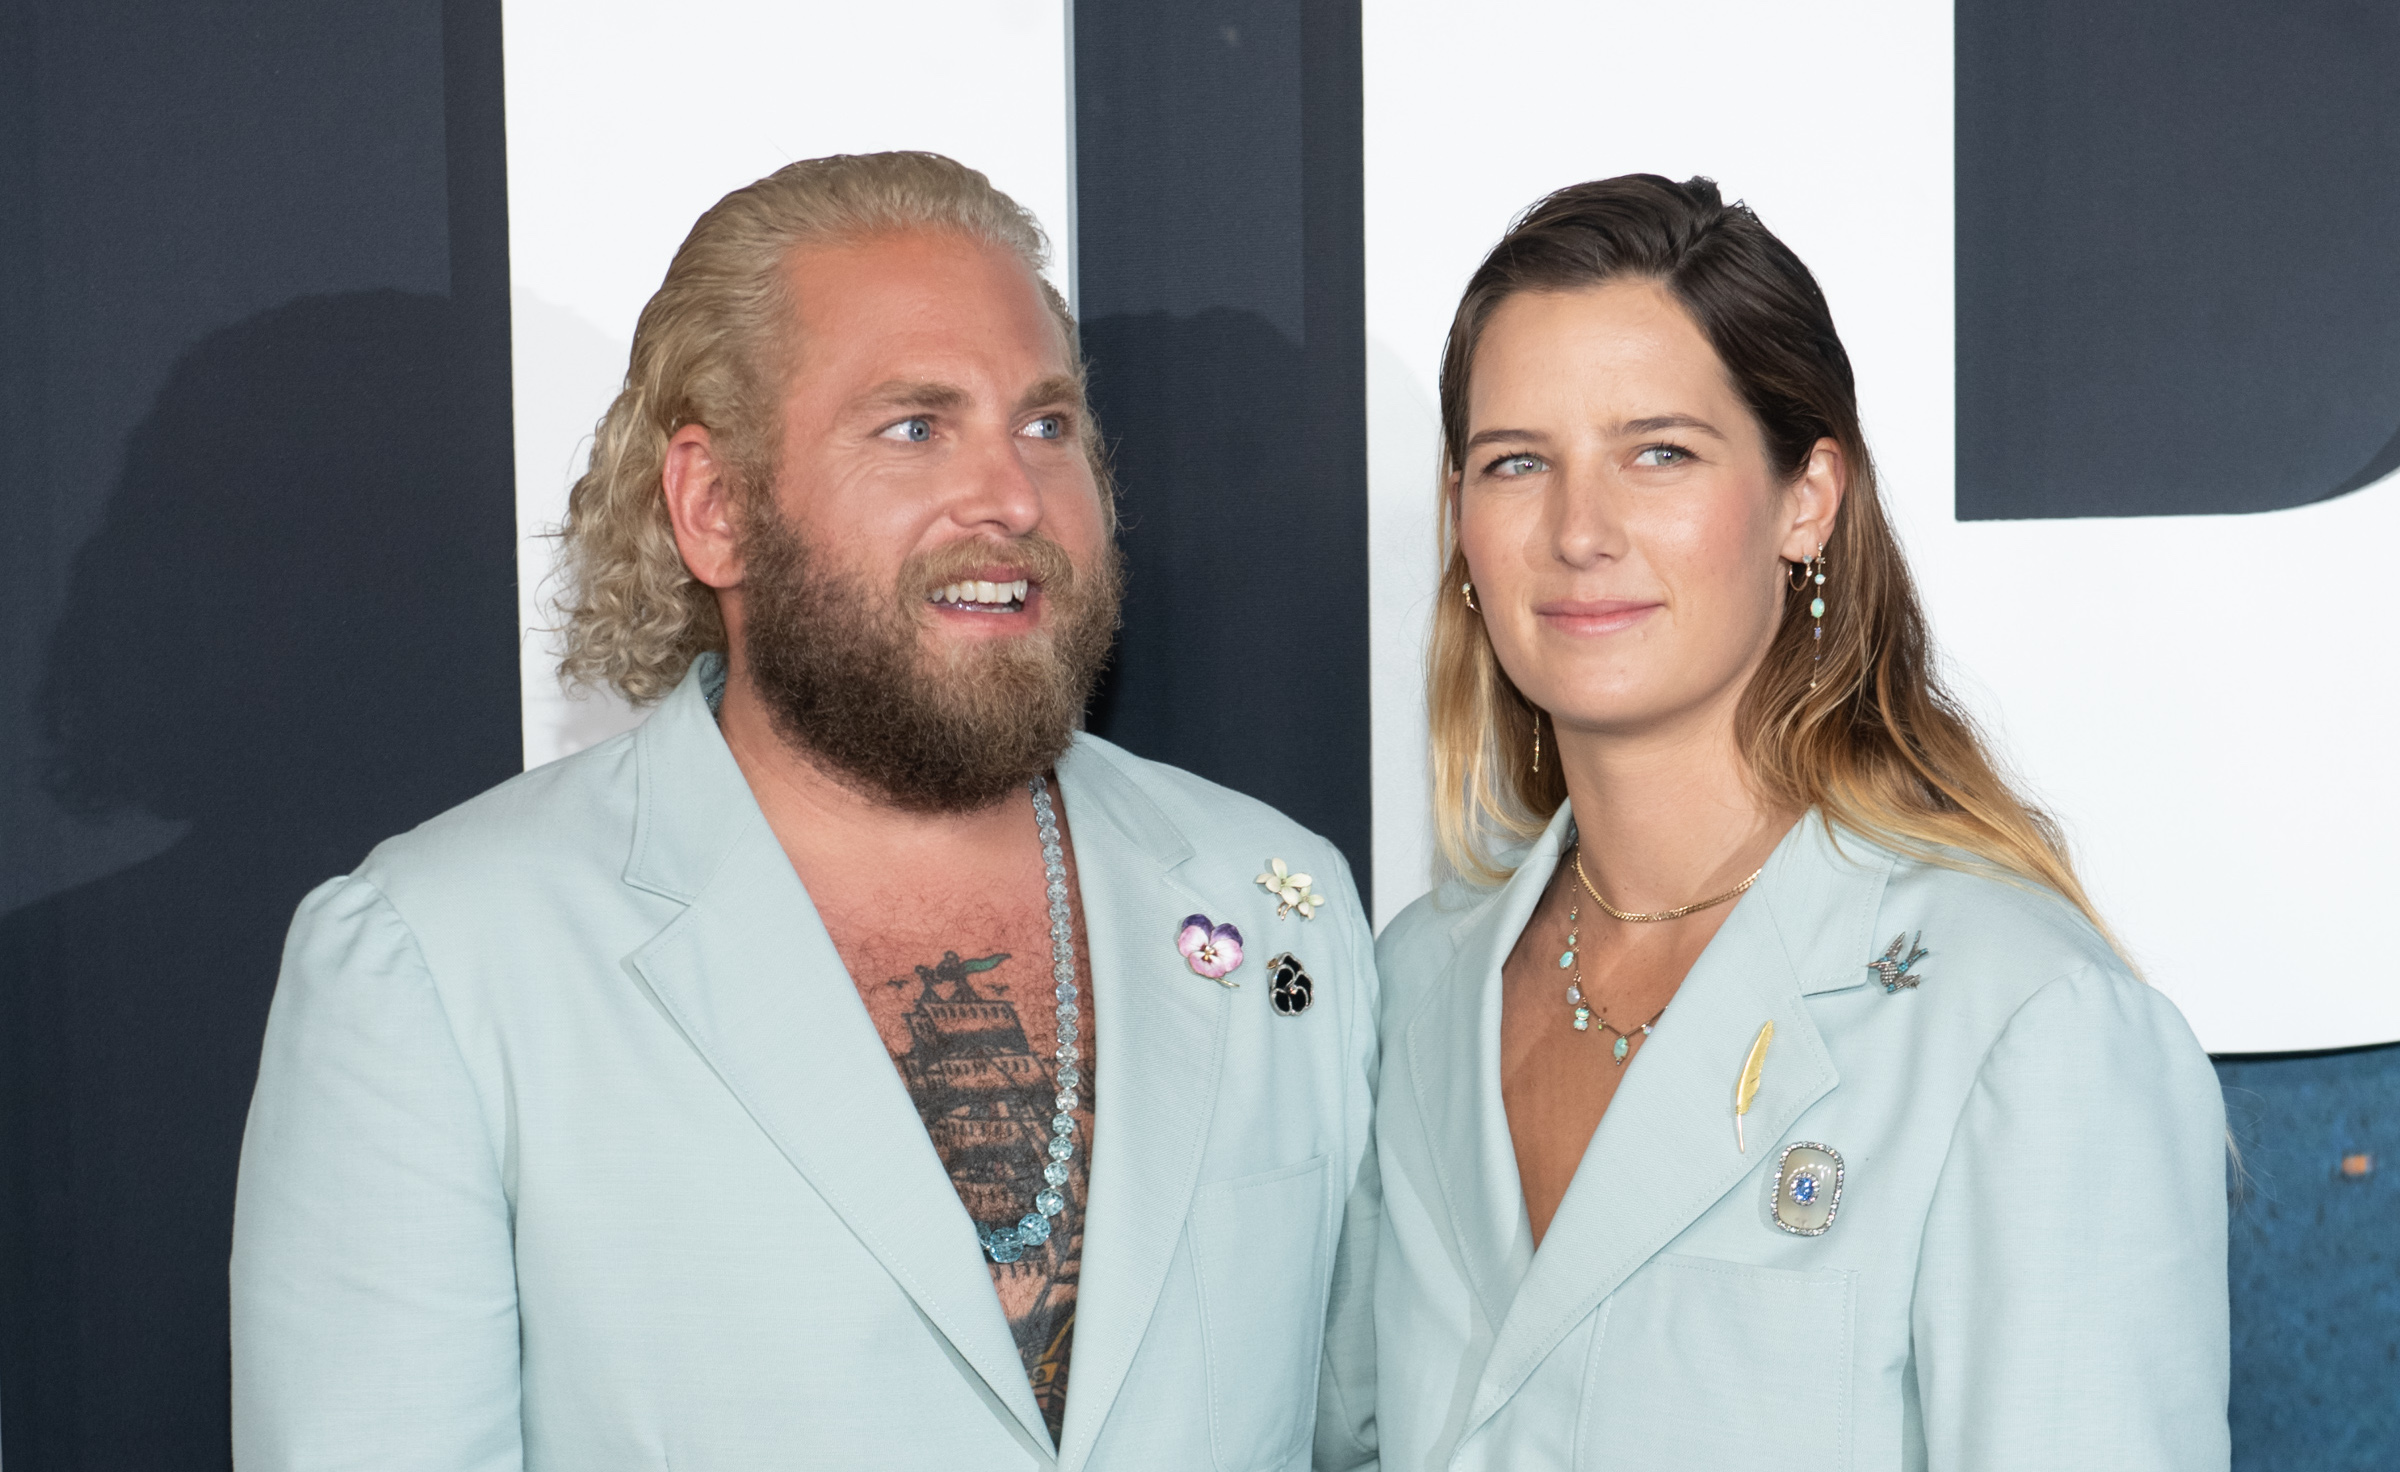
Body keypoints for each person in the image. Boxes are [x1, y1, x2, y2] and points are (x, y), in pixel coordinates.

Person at [231, 152, 1378, 1472]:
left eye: (1048, 425)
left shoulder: (1276, 910)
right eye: (915, 427)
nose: (1012, 497)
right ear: (714, 509)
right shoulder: (440, 964)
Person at [1371, 174, 2227, 1470]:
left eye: (1658, 452)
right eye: (1516, 463)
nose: (1579, 530)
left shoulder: (2024, 1023)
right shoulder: (1410, 989)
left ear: (1805, 500)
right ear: (1461, 521)